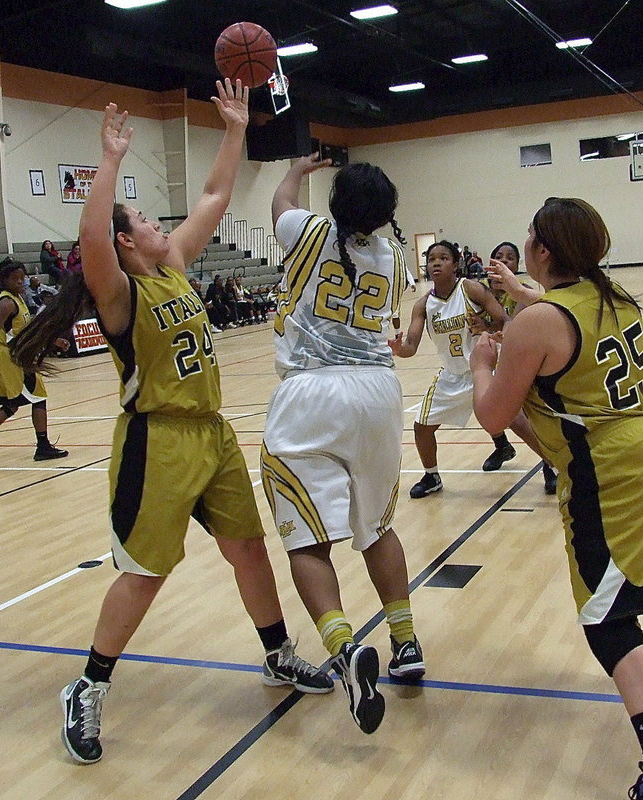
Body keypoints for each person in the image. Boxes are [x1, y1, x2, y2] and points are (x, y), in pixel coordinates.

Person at [8, 81, 332, 766]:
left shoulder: (176, 266)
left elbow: (214, 196)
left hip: (211, 434)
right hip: (155, 442)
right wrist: (110, 162)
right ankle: (88, 684)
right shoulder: (120, 291)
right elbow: (92, 233)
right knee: (147, 574)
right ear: (125, 243)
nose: (160, 223)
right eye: (146, 221)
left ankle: (277, 654)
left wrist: (236, 129)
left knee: (247, 548)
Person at [470, 197, 643, 800]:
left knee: (608, 618)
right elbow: (555, 313)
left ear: (544, 249)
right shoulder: (614, 295)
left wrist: (480, 363)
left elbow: (493, 413)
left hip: (606, 472)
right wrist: (514, 290)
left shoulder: (535, 324)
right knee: (642, 570)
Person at [261, 155, 424, 735]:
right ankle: (406, 641)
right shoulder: (393, 255)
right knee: (378, 527)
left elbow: (280, 202)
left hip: (311, 395)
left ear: (332, 206)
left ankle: (343, 647)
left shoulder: (306, 232)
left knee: (307, 537)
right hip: (378, 394)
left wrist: (295, 170)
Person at [389, 240, 509, 498]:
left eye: (443, 258)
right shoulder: (423, 305)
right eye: (432, 259)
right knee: (421, 426)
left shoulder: (470, 289)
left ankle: (549, 466)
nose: (436, 263)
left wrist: (485, 326)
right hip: (451, 375)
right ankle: (432, 475)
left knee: (518, 419)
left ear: (455, 264)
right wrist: (399, 349)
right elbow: (411, 346)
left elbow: (503, 320)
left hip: (483, 369)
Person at [0, 259, 69, 468]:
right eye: (15, 278)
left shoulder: (17, 298)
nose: (20, 281)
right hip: (11, 356)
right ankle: (41, 446)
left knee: (18, 403)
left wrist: (53, 340)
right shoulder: (6, 303)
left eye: (22, 277)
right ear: (4, 280)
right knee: (31, 400)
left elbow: (27, 330)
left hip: (12, 355)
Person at [479, 241, 557, 494]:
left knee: (526, 416)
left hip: (523, 360)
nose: (505, 260)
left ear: (516, 265)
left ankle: (550, 462)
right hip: (486, 359)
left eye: (510, 257)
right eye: (499, 256)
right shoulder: (479, 293)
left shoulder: (524, 292)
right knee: (496, 410)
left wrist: (493, 329)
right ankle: (502, 446)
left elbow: (513, 326)